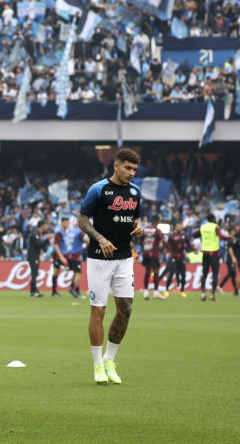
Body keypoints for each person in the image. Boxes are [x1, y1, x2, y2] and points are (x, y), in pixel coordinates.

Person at [77, 148, 145, 385]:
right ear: (116, 166)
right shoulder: (99, 189)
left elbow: (136, 218)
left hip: (125, 257)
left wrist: (138, 228)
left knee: (125, 310)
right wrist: (100, 238)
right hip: (99, 258)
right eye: (128, 168)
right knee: (98, 310)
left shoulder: (135, 193)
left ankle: (109, 359)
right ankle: (97, 365)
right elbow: (82, 219)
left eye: (134, 169)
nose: (131, 173)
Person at [193, 214, 230, 301]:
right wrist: (229, 237)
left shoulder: (203, 227)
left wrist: (203, 237)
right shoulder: (215, 227)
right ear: (213, 219)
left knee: (204, 274)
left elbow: (194, 234)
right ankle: (212, 294)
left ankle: (202, 293)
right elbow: (221, 236)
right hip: (214, 253)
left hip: (205, 253)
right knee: (215, 274)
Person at [51, 216, 85, 298]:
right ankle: (55, 291)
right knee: (57, 272)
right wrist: (61, 256)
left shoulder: (67, 232)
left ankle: (71, 289)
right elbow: (56, 245)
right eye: (66, 222)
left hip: (66, 255)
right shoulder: (59, 232)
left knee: (75, 272)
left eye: (68, 222)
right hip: (59, 256)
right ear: (62, 223)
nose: (67, 224)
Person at [138, 217, 165, 300]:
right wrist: (170, 250)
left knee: (147, 272)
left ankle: (146, 293)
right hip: (154, 254)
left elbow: (140, 241)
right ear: (157, 222)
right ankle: (156, 292)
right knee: (156, 271)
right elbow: (163, 241)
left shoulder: (144, 230)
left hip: (146, 254)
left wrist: (144, 249)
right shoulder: (157, 231)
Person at [163, 224, 190, 297]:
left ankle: (182, 291)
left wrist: (191, 248)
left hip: (181, 258)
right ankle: (166, 290)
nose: (179, 227)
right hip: (174, 258)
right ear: (176, 227)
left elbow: (188, 244)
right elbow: (168, 245)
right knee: (171, 274)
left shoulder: (184, 235)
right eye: (178, 226)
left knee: (183, 275)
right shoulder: (172, 236)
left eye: (180, 226)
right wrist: (168, 252)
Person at [26, 221, 50, 297]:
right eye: (45, 225)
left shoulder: (38, 233)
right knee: (34, 273)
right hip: (33, 255)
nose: (47, 227)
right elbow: (39, 244)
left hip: (34, 255)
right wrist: (47, 239)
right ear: (41, 226)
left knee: (35, 273)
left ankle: (33, 290)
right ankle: (33, 291)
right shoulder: (35, 233)